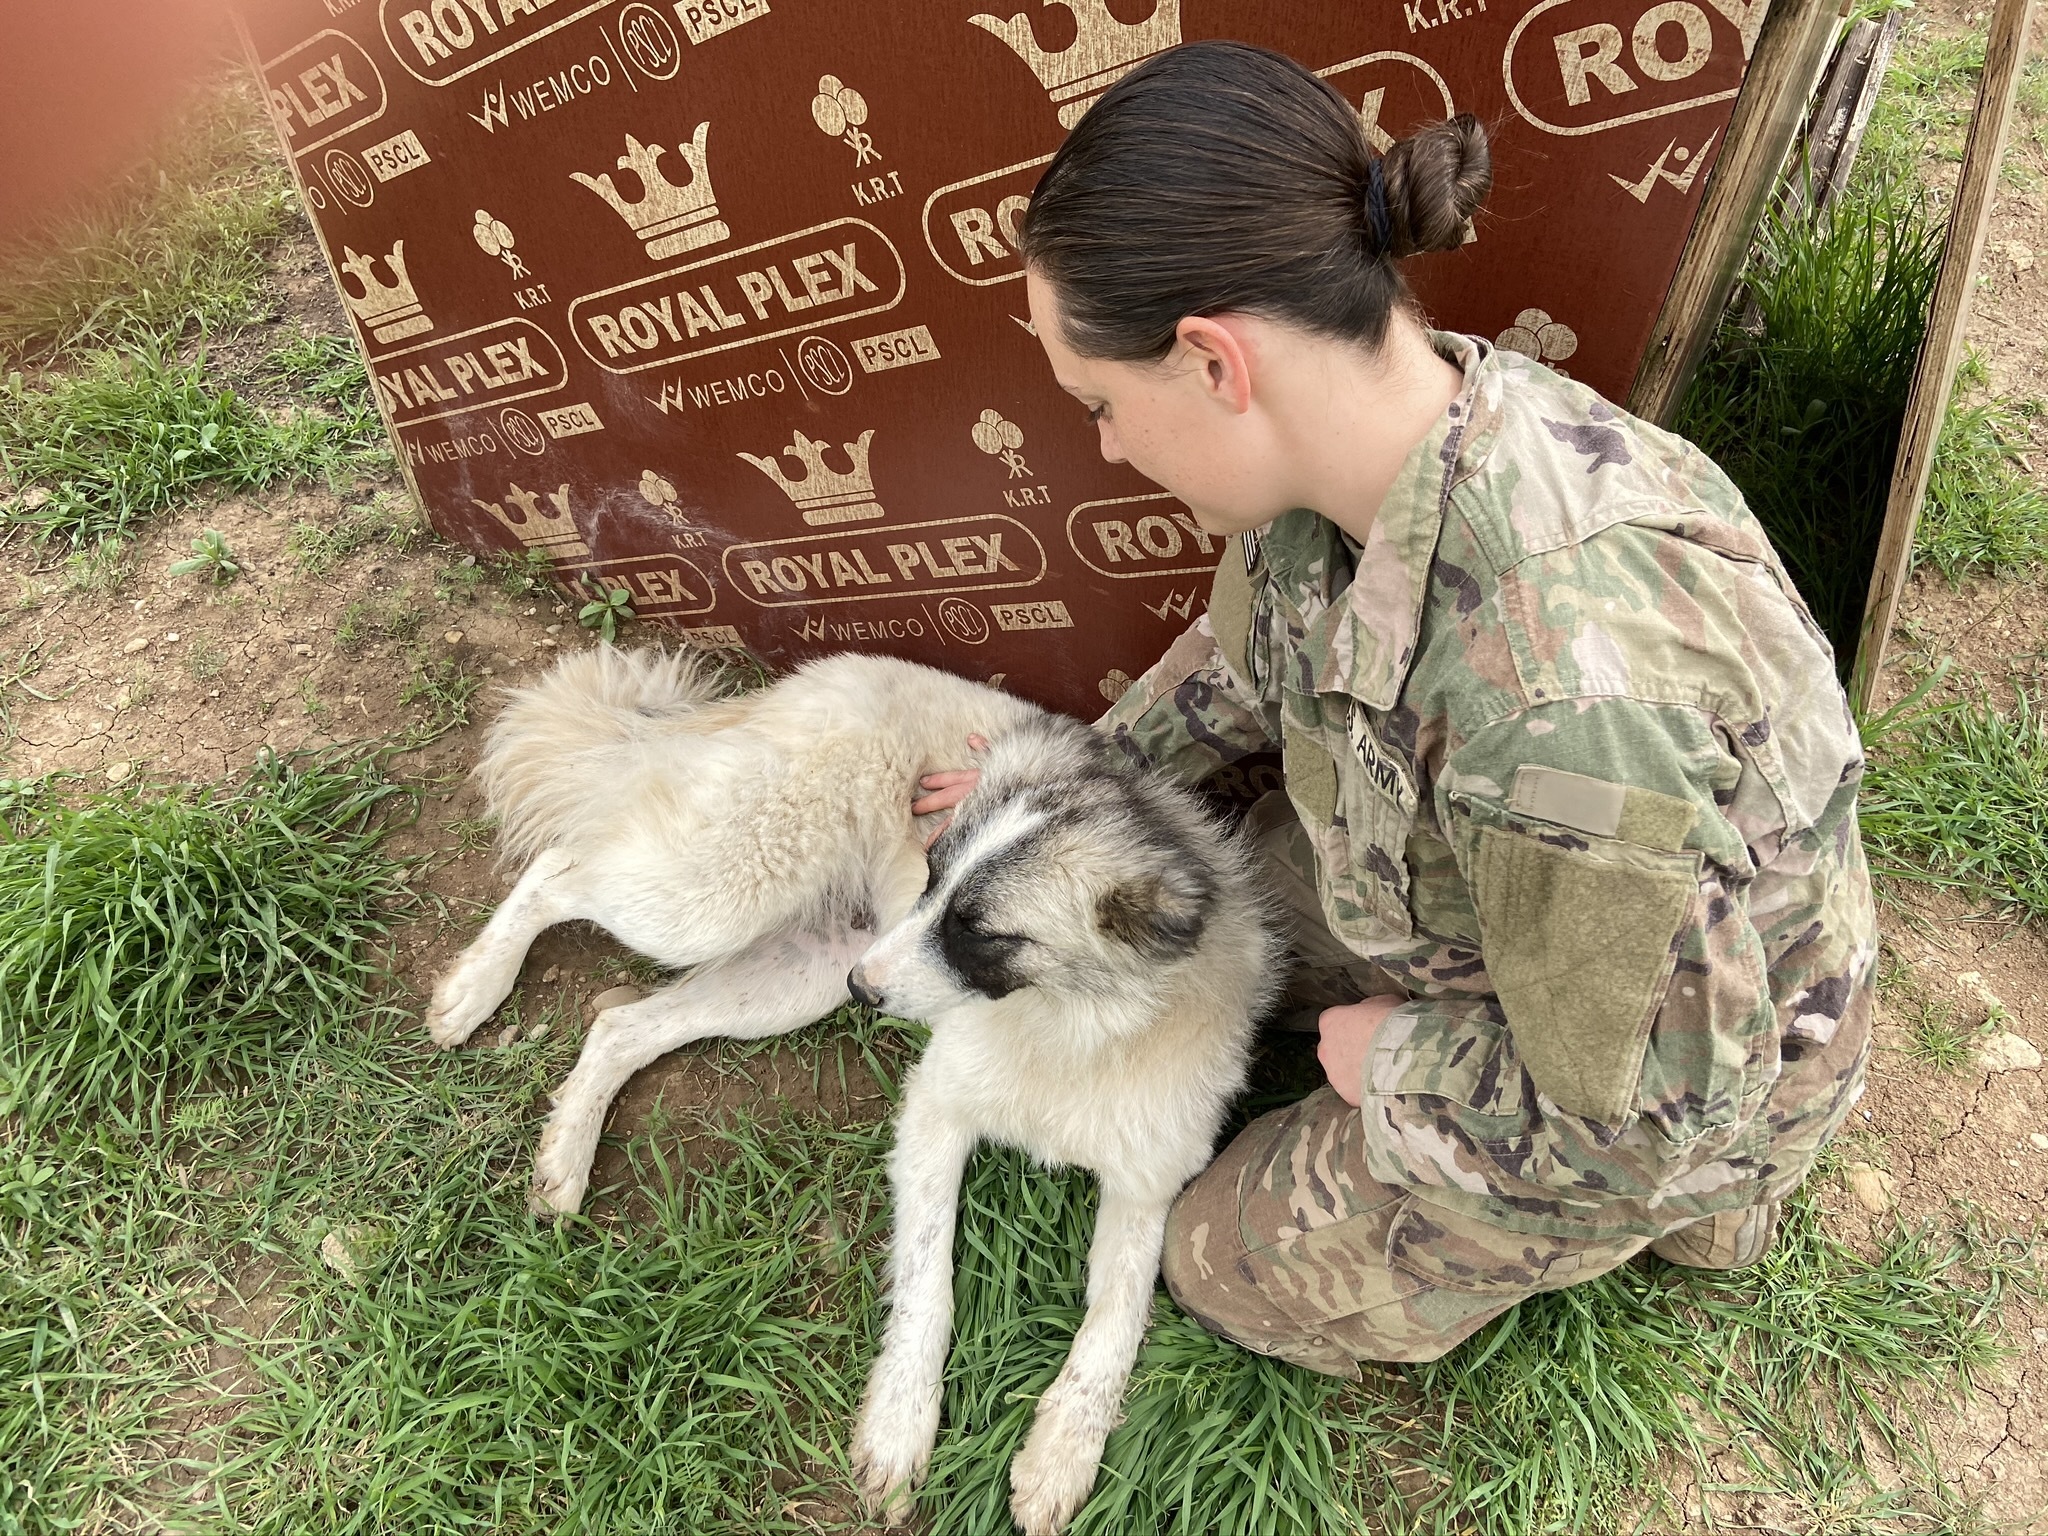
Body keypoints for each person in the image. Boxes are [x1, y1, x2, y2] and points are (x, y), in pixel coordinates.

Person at [913, 40, 1876, 1377]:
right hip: (1531, 896)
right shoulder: (1368, 451)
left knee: (1218, 1263)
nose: (1107, 448)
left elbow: (1665, 1114)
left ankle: (1709, 1223)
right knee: (1193, 913)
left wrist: (1399, 1064)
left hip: (1694, 1074)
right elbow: (1245, 660)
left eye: (1100, 403)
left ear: (1209, 361)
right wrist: (1057, 797)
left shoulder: (1556, 707)